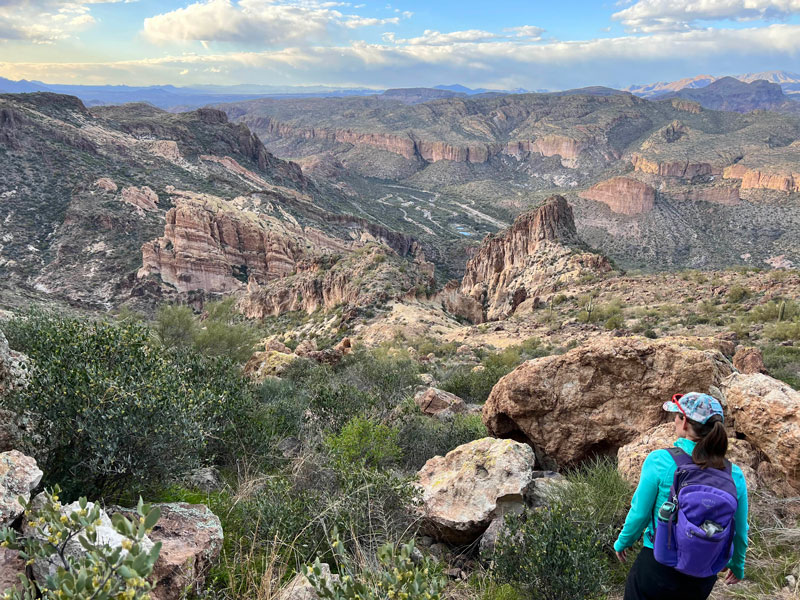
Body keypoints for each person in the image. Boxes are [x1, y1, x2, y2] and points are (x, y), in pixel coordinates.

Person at [614, 392, 749, 600]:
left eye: (676, 415)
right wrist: (737, 564)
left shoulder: (660, 461)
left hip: (658, 564)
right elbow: (740, 529)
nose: (674, 420)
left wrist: (623, 541)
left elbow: (639, 513)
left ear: (684, 421)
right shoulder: (734, 474)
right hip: (705, 570)